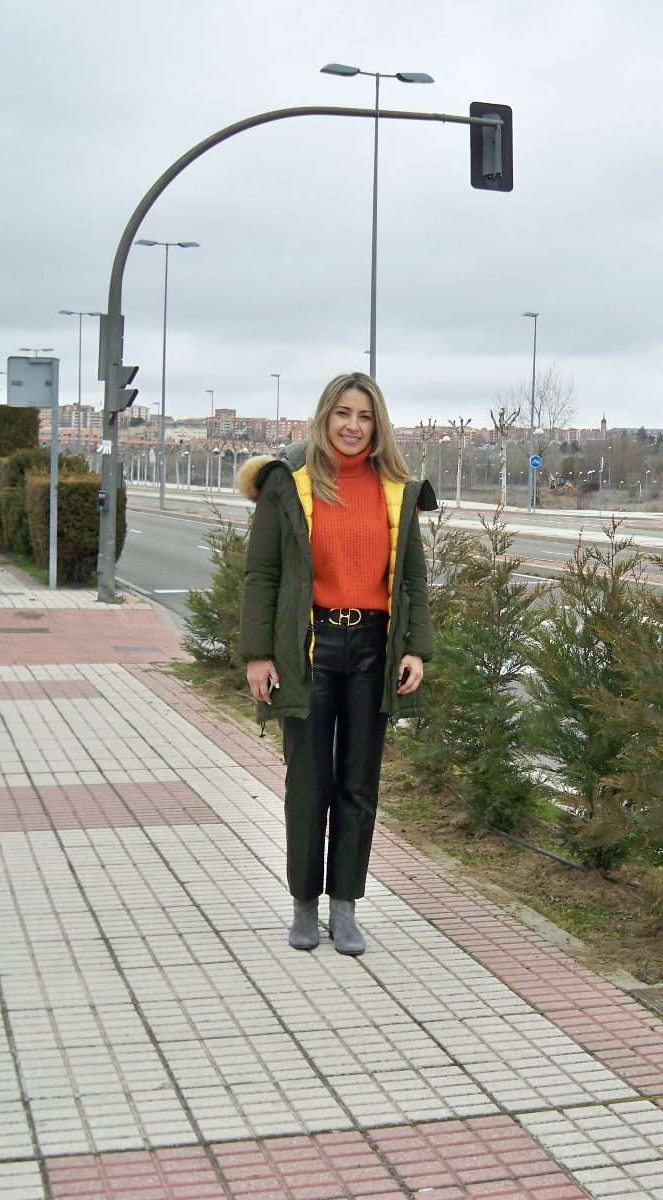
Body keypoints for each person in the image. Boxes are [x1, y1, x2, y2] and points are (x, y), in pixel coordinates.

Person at [236, 373, 433, 955]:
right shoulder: (288, 483)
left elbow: (414, 579)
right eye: (343, 413)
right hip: (309, 648)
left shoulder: (396, 488)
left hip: (373, 648)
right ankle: (304, 903)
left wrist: (416, 649)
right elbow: (261, 574)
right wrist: (258, 654)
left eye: (364, 416)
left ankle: (344, 905)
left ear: (378, 424)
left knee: (358, 782)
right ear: (325, 416)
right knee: (308, 782)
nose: (353, 425)